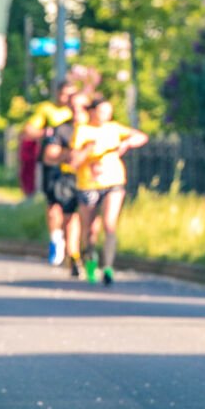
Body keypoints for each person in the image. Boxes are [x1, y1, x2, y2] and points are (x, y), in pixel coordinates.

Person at [72, 95, 148, 285]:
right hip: (88, 183)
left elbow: (141, 136)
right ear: (92, 112)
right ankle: (91, 265)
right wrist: (88, 150)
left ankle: (108, 267)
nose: (105, 115)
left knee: (109, 224)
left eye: (108, 111)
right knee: (90, 229)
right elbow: (74, 161)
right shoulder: (82, 130)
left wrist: (126, 143)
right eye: (101, 111)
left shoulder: (114, 128)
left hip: (113, 181)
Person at [40, 86, 88, 277]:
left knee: (90, 223)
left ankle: (86, 253)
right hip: (67, 178)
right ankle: (73, 255)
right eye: (73, 107)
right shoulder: (62, 129)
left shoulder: (97, 129)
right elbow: (49, 155)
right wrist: (69, 154)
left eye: (81, 107)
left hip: (93, 181)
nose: (77, 111)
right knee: (69, 217)